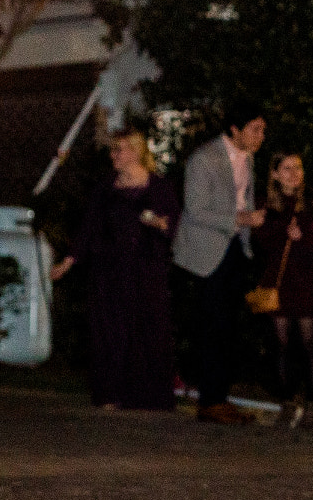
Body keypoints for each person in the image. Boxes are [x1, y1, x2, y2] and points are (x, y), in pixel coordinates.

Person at [48, 130, 180, 411]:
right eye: (113, 150)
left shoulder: (159, 187)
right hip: (109, 269)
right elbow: (89, 227)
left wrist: (158, 223)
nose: (113, 155)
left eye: (118, 150)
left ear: (135, 151)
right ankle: (110, 393)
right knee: (109, 330)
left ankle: (147, 397)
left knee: (146, 330)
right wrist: (68, 261)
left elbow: (173, 226)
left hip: (146, 269)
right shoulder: (106, 188)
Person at [172, 103, 266, 424]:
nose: (261, 136)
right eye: (255, 129)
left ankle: (220, 397)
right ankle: (210, 400)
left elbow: (244, 197)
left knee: (229, 326)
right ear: (234, 130)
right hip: (208, 251)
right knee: (213, 325)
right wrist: (239, 218)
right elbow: (195, 209)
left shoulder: (248, 158)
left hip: (235, 247)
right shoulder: (205, 158)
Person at [250, 151, 313, 429]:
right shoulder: (265, 203)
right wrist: (279, 231)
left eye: (297, 167)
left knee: (310, 343)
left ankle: (312, 405)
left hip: (307, 279)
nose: (293, 173)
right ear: (274, 173)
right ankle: (287, 402)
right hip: (278, 280)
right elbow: (260, 241)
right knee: (280, 344)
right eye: (286, 168)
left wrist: (308, 233)